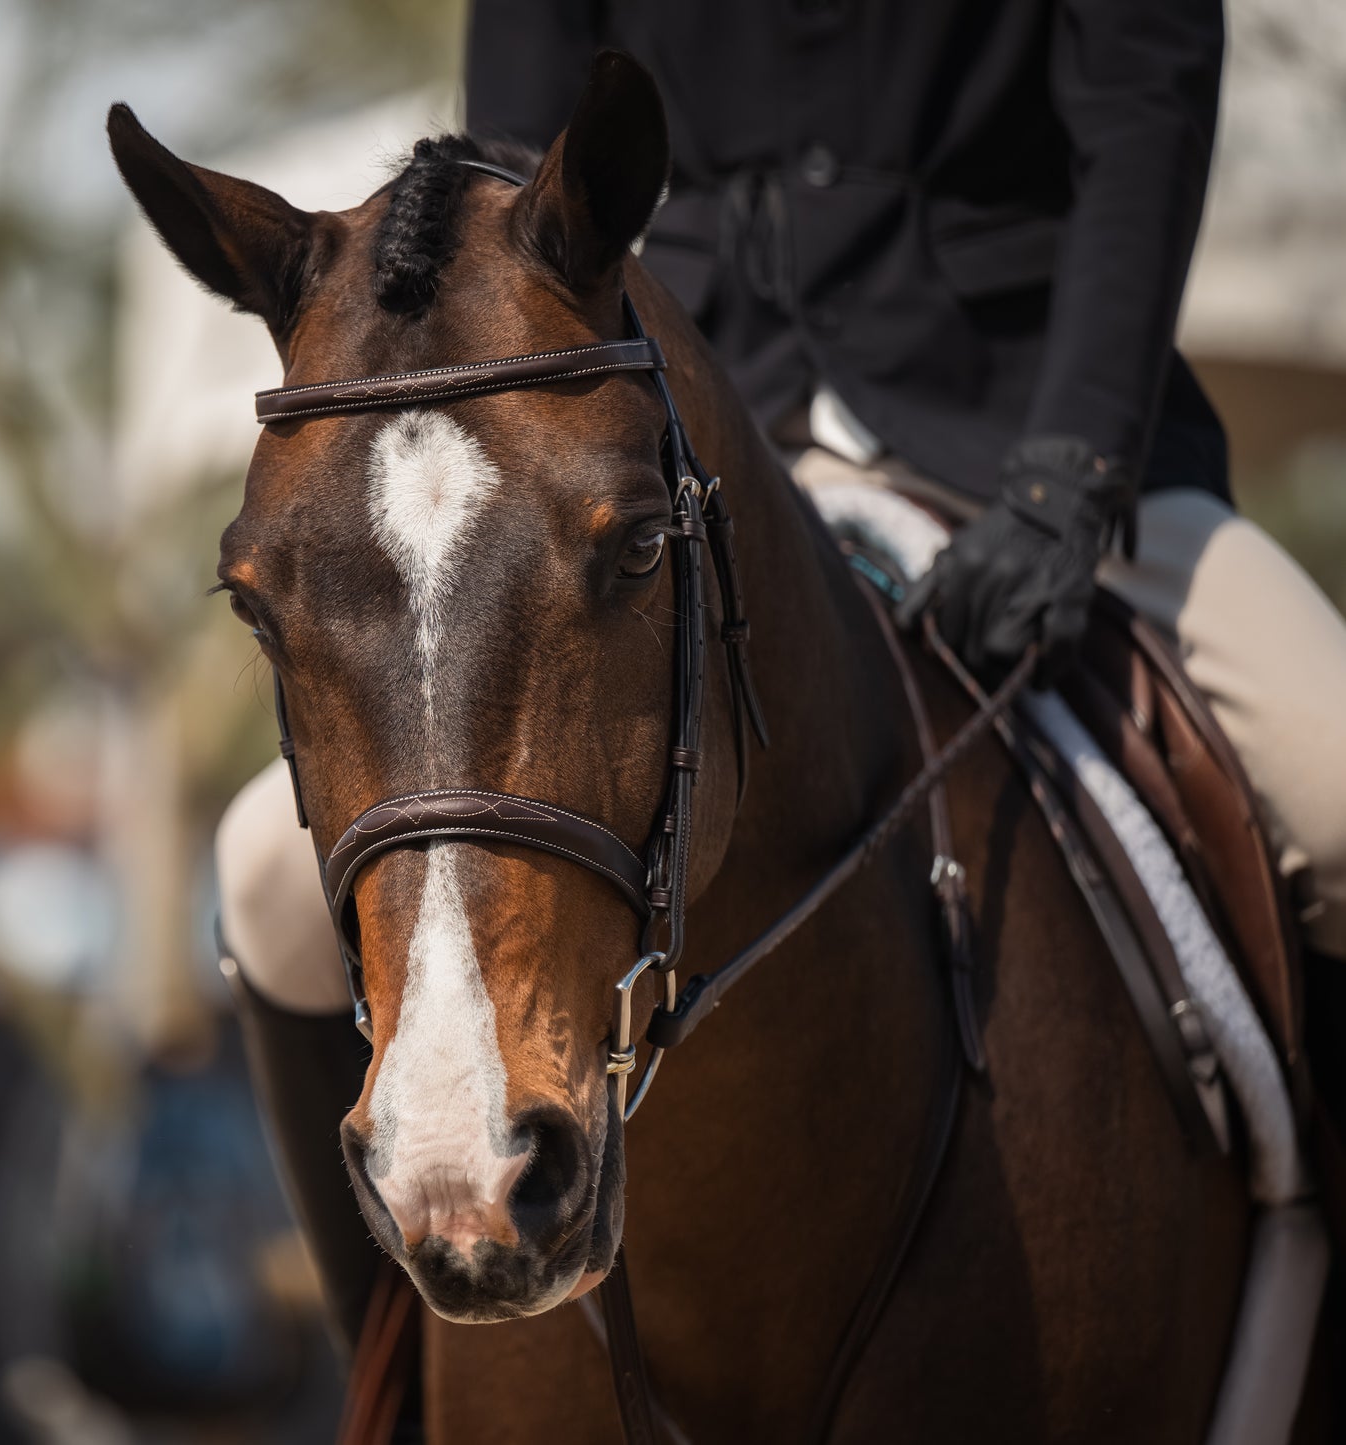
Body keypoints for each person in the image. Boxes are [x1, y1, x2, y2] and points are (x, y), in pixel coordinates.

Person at [217, 0, 1346, 1353]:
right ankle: (387, 1391)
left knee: (1338, 798)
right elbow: (510, 171)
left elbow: (1142, 104)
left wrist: (1072, 471)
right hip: (654, 427)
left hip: (1023, 420)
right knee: (266, 877)